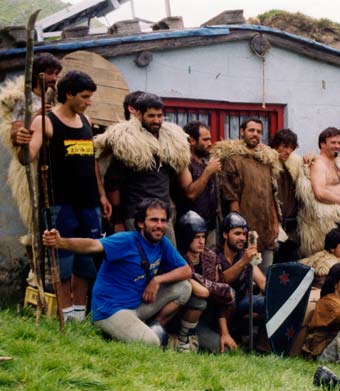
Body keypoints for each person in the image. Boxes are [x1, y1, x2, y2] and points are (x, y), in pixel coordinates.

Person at [42, 198, 192, 346]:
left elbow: (186, 270)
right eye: (154, 220)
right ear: (141, 223)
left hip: (137, 305)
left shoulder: (162, 242)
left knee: (184, 287)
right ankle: (123, 331)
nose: (159, 225)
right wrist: (61, 242)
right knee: (151, 343)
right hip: (111, 310)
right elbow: (92, 245)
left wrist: (157, 280)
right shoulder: (125, 241)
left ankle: (154, 327)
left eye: (163, 220)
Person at [25, 70, 111, 322]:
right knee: (62, 261)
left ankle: (78, 316)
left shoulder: (86, 120)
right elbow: (27, 156)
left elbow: (91, 161)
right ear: (68, 94)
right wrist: (21, 141)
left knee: (86, 261)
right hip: (60, 205)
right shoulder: (46, 122)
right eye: (84, 96)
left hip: (89, 203)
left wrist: (102, 195)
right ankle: (63, 314)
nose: (89, 101)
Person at [99, 93, 190, 243]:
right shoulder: (127, 143)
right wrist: (118, 220)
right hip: (136, 214)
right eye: (151, 116)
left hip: (162, 213)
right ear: (139, 114)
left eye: (160, 116)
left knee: (168, 261)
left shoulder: (170, 141)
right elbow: (112, 185)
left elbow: (177, 176)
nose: (157, 120)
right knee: (141, 260)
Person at [2, 53, 62, 244]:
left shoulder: (54, 95)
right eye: (51, 73)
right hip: (33, 163)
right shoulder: (26, 99)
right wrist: (37, 115)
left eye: (57, 74)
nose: (55, 78)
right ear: (39, 75)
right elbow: (16, 131)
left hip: (52, 163)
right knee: (37, 219)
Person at [216, 118, 281, 274]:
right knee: (247, 274)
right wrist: (238, 226)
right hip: (246, 226)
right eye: (251, 130)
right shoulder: (234, 159)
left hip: (266, 227)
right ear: (242, 132)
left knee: (267, 272)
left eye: (259, 131)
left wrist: (275, 221)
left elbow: (271, 194)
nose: (255, 134)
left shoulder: (265, 159)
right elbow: (232, 196)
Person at [175, 211, 236, 354]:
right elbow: (201, 292)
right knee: (199, 299)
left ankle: (195, 341)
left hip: (203, 319)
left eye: (203, 236)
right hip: (178, 316)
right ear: (186, 237)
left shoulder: (210, 257)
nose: (202, 241)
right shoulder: (177, 258)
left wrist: (225, 333)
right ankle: (181, 340)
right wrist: (217, 290)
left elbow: (223, 299)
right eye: (197, 237)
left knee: (225, 351)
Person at [215, 211, 269, 351]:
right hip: (218, 308)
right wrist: (244, 261)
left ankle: (262, 345)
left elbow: (262, 283)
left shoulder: (242, 255)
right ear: (225, 234)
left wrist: (277, 295)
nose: (242, 238)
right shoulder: (214, 255)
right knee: (229, 292)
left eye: (244, 234)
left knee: (267, 303)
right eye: (237, 233)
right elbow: (221, 281)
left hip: (240, 304)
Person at [178, 120, 221, 247]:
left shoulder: (206, 162)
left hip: (210, 226)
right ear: (192, 140)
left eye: (210, 139)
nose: (210, 143)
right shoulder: (184, 162)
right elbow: (190, 193)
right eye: (205, 140)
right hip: (191, 229)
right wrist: (208, 172)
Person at [270, 128, 303, 261]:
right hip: (274, 221)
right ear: (276, 145)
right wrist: (274, 221)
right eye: (284, 146)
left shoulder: (295, 164)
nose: (288, 151)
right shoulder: (269, 163)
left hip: (292, 221)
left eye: (291, 148)